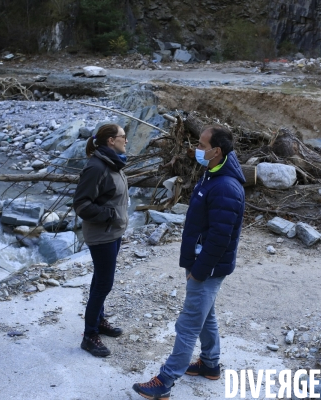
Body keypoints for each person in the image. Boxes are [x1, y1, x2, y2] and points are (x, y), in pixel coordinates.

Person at [133, 125, 246, 399]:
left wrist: (199, 271)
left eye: (201, 145)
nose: (196, 149)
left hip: (206, 267)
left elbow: (220, 238)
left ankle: (165, 380)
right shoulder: (214, 173)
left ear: (216, 151)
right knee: (206, 316)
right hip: (201, 263)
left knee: (188, 323)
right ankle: (210, 363)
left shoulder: (225, 187)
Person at [73, 123, 129, 357]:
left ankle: (99, 320)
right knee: (103, 283)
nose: (126, 141)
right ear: (110, 141)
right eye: (123, 137)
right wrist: (111, 215)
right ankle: (89, 335)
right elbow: (81, 204)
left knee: (100, 278)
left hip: (113, 231)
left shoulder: (114, 162)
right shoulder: (96, 167)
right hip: (101, 234)